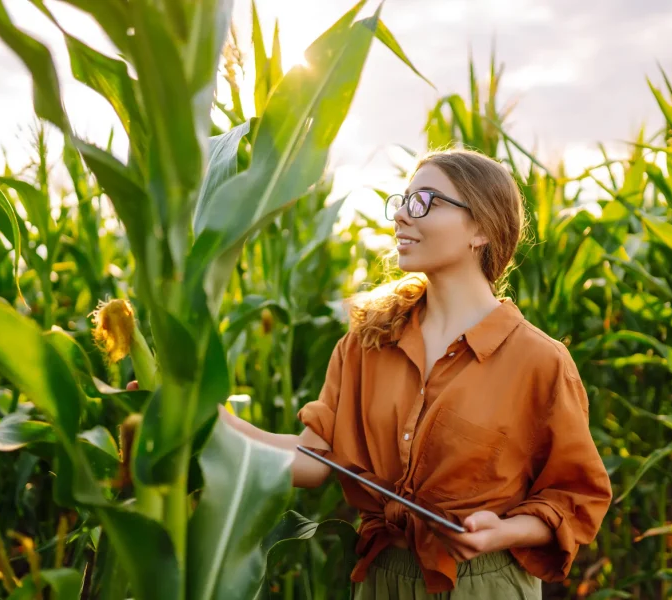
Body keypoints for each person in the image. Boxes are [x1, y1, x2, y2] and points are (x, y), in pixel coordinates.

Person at [216, 148, 612, 598]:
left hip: (483, 583)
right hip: (383, 578)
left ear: (480, 228)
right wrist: (209, 427)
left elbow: (575, 498)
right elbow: (313, 461)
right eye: (402, 200)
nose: (402, 216)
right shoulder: (367, 341)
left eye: (424, 201)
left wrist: (500, 532)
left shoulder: (539, 361)